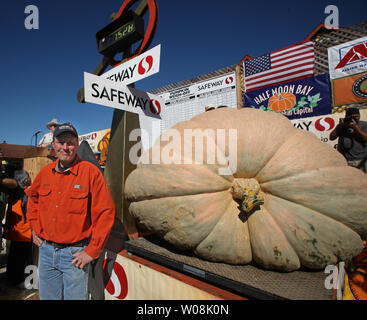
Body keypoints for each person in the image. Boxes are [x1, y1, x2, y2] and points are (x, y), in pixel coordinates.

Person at [27, 123, 116, 300]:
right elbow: (33, 199)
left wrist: (92, 251)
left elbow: (105, 213)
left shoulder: (91, 173)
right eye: (61, 142)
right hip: (46, 252)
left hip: (74, 255)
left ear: (76, 144)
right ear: (54, 145)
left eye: (70, 143)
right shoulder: (45, 173)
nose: (65, 148)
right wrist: (34, 227)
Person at [3, 170, 32, 287]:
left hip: (16, 231)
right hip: (23, 232)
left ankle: (11, 278)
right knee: (19, 258)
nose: (30, 178)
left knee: (14, 256)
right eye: (28, 177)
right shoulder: (21, 192)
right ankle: (17, 280)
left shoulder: (14, 193)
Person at [329, 106, 367, 173]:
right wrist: (339, 126)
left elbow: (366, 138)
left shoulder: (364, 125)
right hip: (346, 160)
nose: (355, 119)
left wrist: (356, 128)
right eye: (352, 117)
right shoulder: (342, 126)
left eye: (357, 116)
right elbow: (331, 137)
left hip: (361, 159)